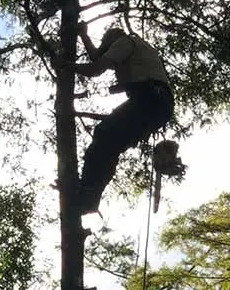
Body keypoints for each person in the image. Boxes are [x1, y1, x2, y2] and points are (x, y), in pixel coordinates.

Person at [65, 26, 175, 215]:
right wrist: (83, 35)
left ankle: (88, 195)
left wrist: (66, 65)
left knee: (104, 134)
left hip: (150, 98)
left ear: (112, 41)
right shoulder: (138, 53)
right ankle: (89, 198)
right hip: (158, 102)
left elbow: (95, 68)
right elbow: (98, 58)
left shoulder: (124, 42)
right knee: (111, 146)